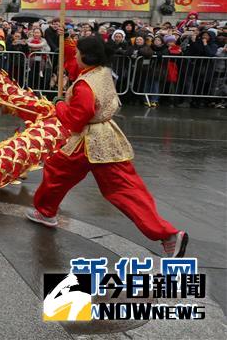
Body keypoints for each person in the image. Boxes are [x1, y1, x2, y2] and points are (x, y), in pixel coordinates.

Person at [26, 35, 188, 258]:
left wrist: (60, 105)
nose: (74, 55)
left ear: (86, 56)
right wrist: (64, 39)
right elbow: (74, 66)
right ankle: (46, 211)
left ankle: (167, 235)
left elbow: (76, 119)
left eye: (77, 52)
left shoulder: (84, 85)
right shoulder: (101, 72)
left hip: (86, 140)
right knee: (126, 187)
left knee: (58, 172)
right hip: (107, 137)